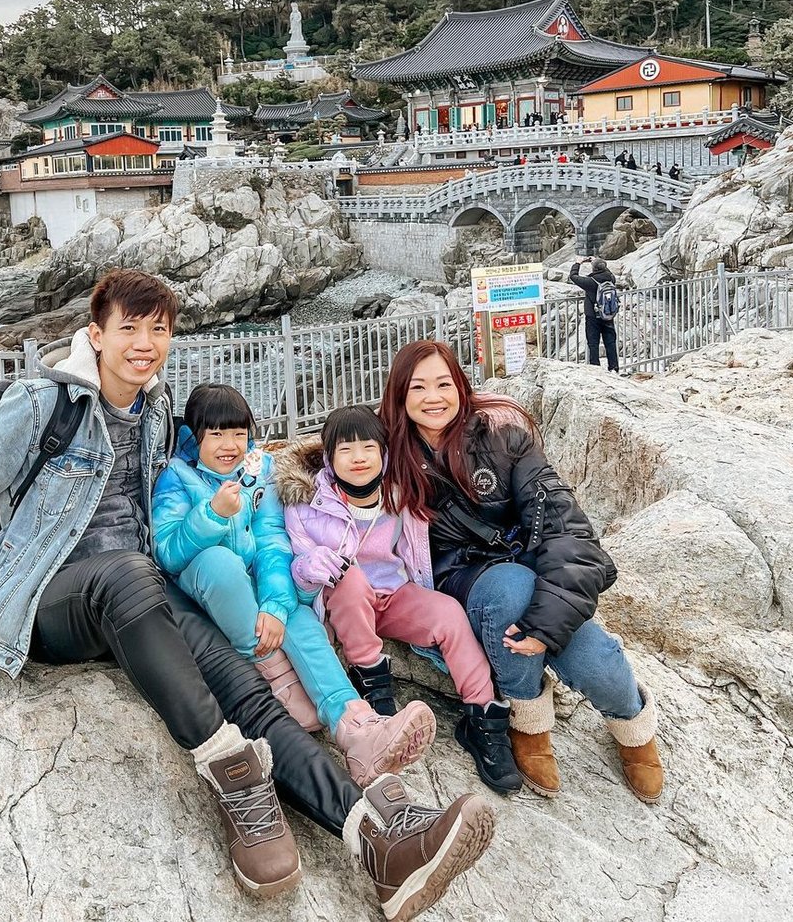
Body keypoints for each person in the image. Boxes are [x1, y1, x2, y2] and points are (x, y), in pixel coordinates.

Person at [0, 270, 495, 918]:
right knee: (126, 573)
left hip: (142, 598)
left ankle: (377, 842)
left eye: (158, 329)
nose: (144, 343)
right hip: (45, 598)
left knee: (243, 685)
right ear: (95, 334)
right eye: (128, 328)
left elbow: (214, 460)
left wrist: (281, 469)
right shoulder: (40, 403)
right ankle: (234, 778)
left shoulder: (156, 408)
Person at [378, 340, 663, 805]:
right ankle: (528, 720)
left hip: (528, 566)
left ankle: (634, 728)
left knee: (596, 657)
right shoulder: (388, 454)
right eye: (418, 387)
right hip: (461, 580)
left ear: (461, 386)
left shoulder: (503, 438)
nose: (433, 398)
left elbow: (564, 527)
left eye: (444, 384)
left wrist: (547, 626)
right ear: (399, 394)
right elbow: (332, 470)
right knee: (510, 589)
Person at [152, 384, 437, 789]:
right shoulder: (177, 477)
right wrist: (212, 514)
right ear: (193, 437)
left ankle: (358, 730)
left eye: (238, 433)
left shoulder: (259, 471)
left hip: (257, 587)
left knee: (300, 619)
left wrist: (275, 605)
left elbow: (272, 540)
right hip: (209, 593)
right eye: (216, 434)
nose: (229, 445)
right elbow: (168, 552)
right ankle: (276, 676)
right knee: (219, 563)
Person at [277, 405, 520, 796]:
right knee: (350, 577)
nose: (358, 458)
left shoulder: (400, 491)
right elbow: (299, 565)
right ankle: (373, 680)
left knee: (448, 614)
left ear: (384, 452)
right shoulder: (307, 503)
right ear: (328, 458)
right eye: (345, 450)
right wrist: (310, 565)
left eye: (368, 447)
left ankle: (484, 718)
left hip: (395, 594)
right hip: (344, 600)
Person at [569, 255, 619, 372]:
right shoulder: (611, 278)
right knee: (610, 342)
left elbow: (573, 276)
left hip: (593, 316)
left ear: (594, 269)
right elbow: (607, 271)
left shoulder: (590, 282)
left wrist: (577, 263)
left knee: (593, 343)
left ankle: (595, 368)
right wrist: (597, 261)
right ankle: (614, 367)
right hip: (608, 315)